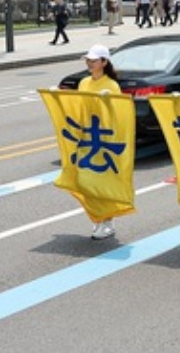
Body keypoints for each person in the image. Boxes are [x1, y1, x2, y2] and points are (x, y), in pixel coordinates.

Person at [79, 45, 121, 239]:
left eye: (94, 61)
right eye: (88, 60)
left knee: (104, 183)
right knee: (88, 182)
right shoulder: (84, 82)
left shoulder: (112, 85)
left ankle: (108, 222)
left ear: (104, 63)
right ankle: (97, 219)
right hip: (88, 138)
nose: (90, 63)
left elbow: (119, 115)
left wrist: (107, 101)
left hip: (104, 140)